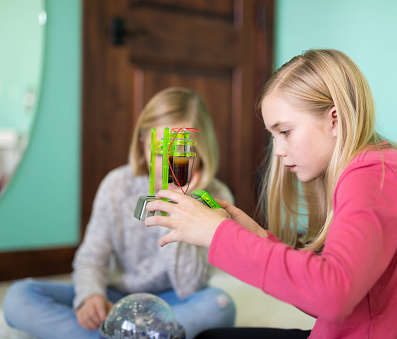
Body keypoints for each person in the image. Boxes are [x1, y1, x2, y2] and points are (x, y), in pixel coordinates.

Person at [143, 50, 397, 339]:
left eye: (285, 132)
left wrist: (218, 235)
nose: (279, 152)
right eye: (274, 136)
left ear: (334, 119)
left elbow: (332, 296)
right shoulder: (392, 168)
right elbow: (339, 297)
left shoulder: (370, 176)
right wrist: (256, 238)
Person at [3, 87, 236, 339]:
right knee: (19, 298)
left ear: (201, 151)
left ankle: (117, 335)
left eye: (180, 153)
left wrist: (180, 204)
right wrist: (90, 295)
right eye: (160, 152)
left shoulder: (214, 196)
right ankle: (136, 334)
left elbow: (190, 285)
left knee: (219, 306)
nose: (169, 165)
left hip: (175, 300)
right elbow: (92, 257)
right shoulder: (117, 185)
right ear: (142, 144)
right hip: (119, 298)